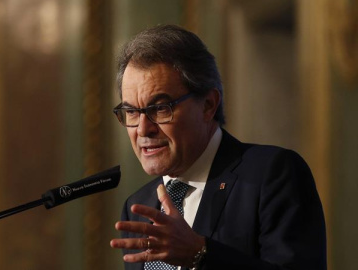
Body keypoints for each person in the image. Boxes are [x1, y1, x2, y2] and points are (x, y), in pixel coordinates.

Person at [109, 24, 326, 270]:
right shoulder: (137, 207)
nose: (142, 129)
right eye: (131, 112)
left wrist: (200, 255)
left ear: (208, 105)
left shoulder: (272, 175)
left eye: (160, 108)